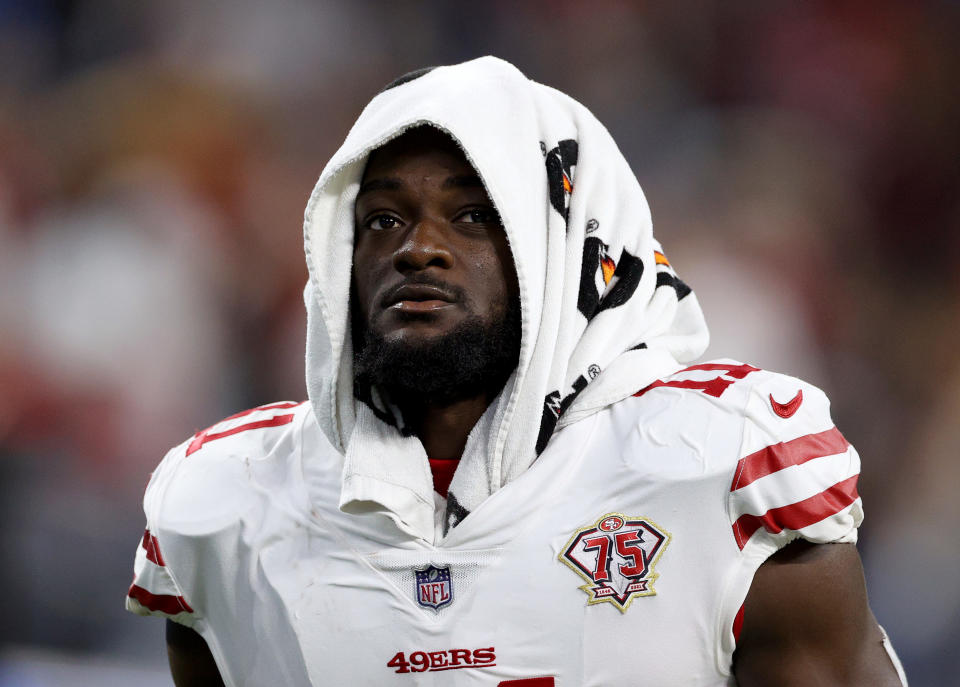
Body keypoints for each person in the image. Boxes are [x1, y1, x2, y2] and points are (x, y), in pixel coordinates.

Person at [126, 57, 907, 686]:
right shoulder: (225, 507)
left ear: (571, 245)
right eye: (383, 220)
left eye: (472, 215)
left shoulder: (719, 467)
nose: (417, 248)